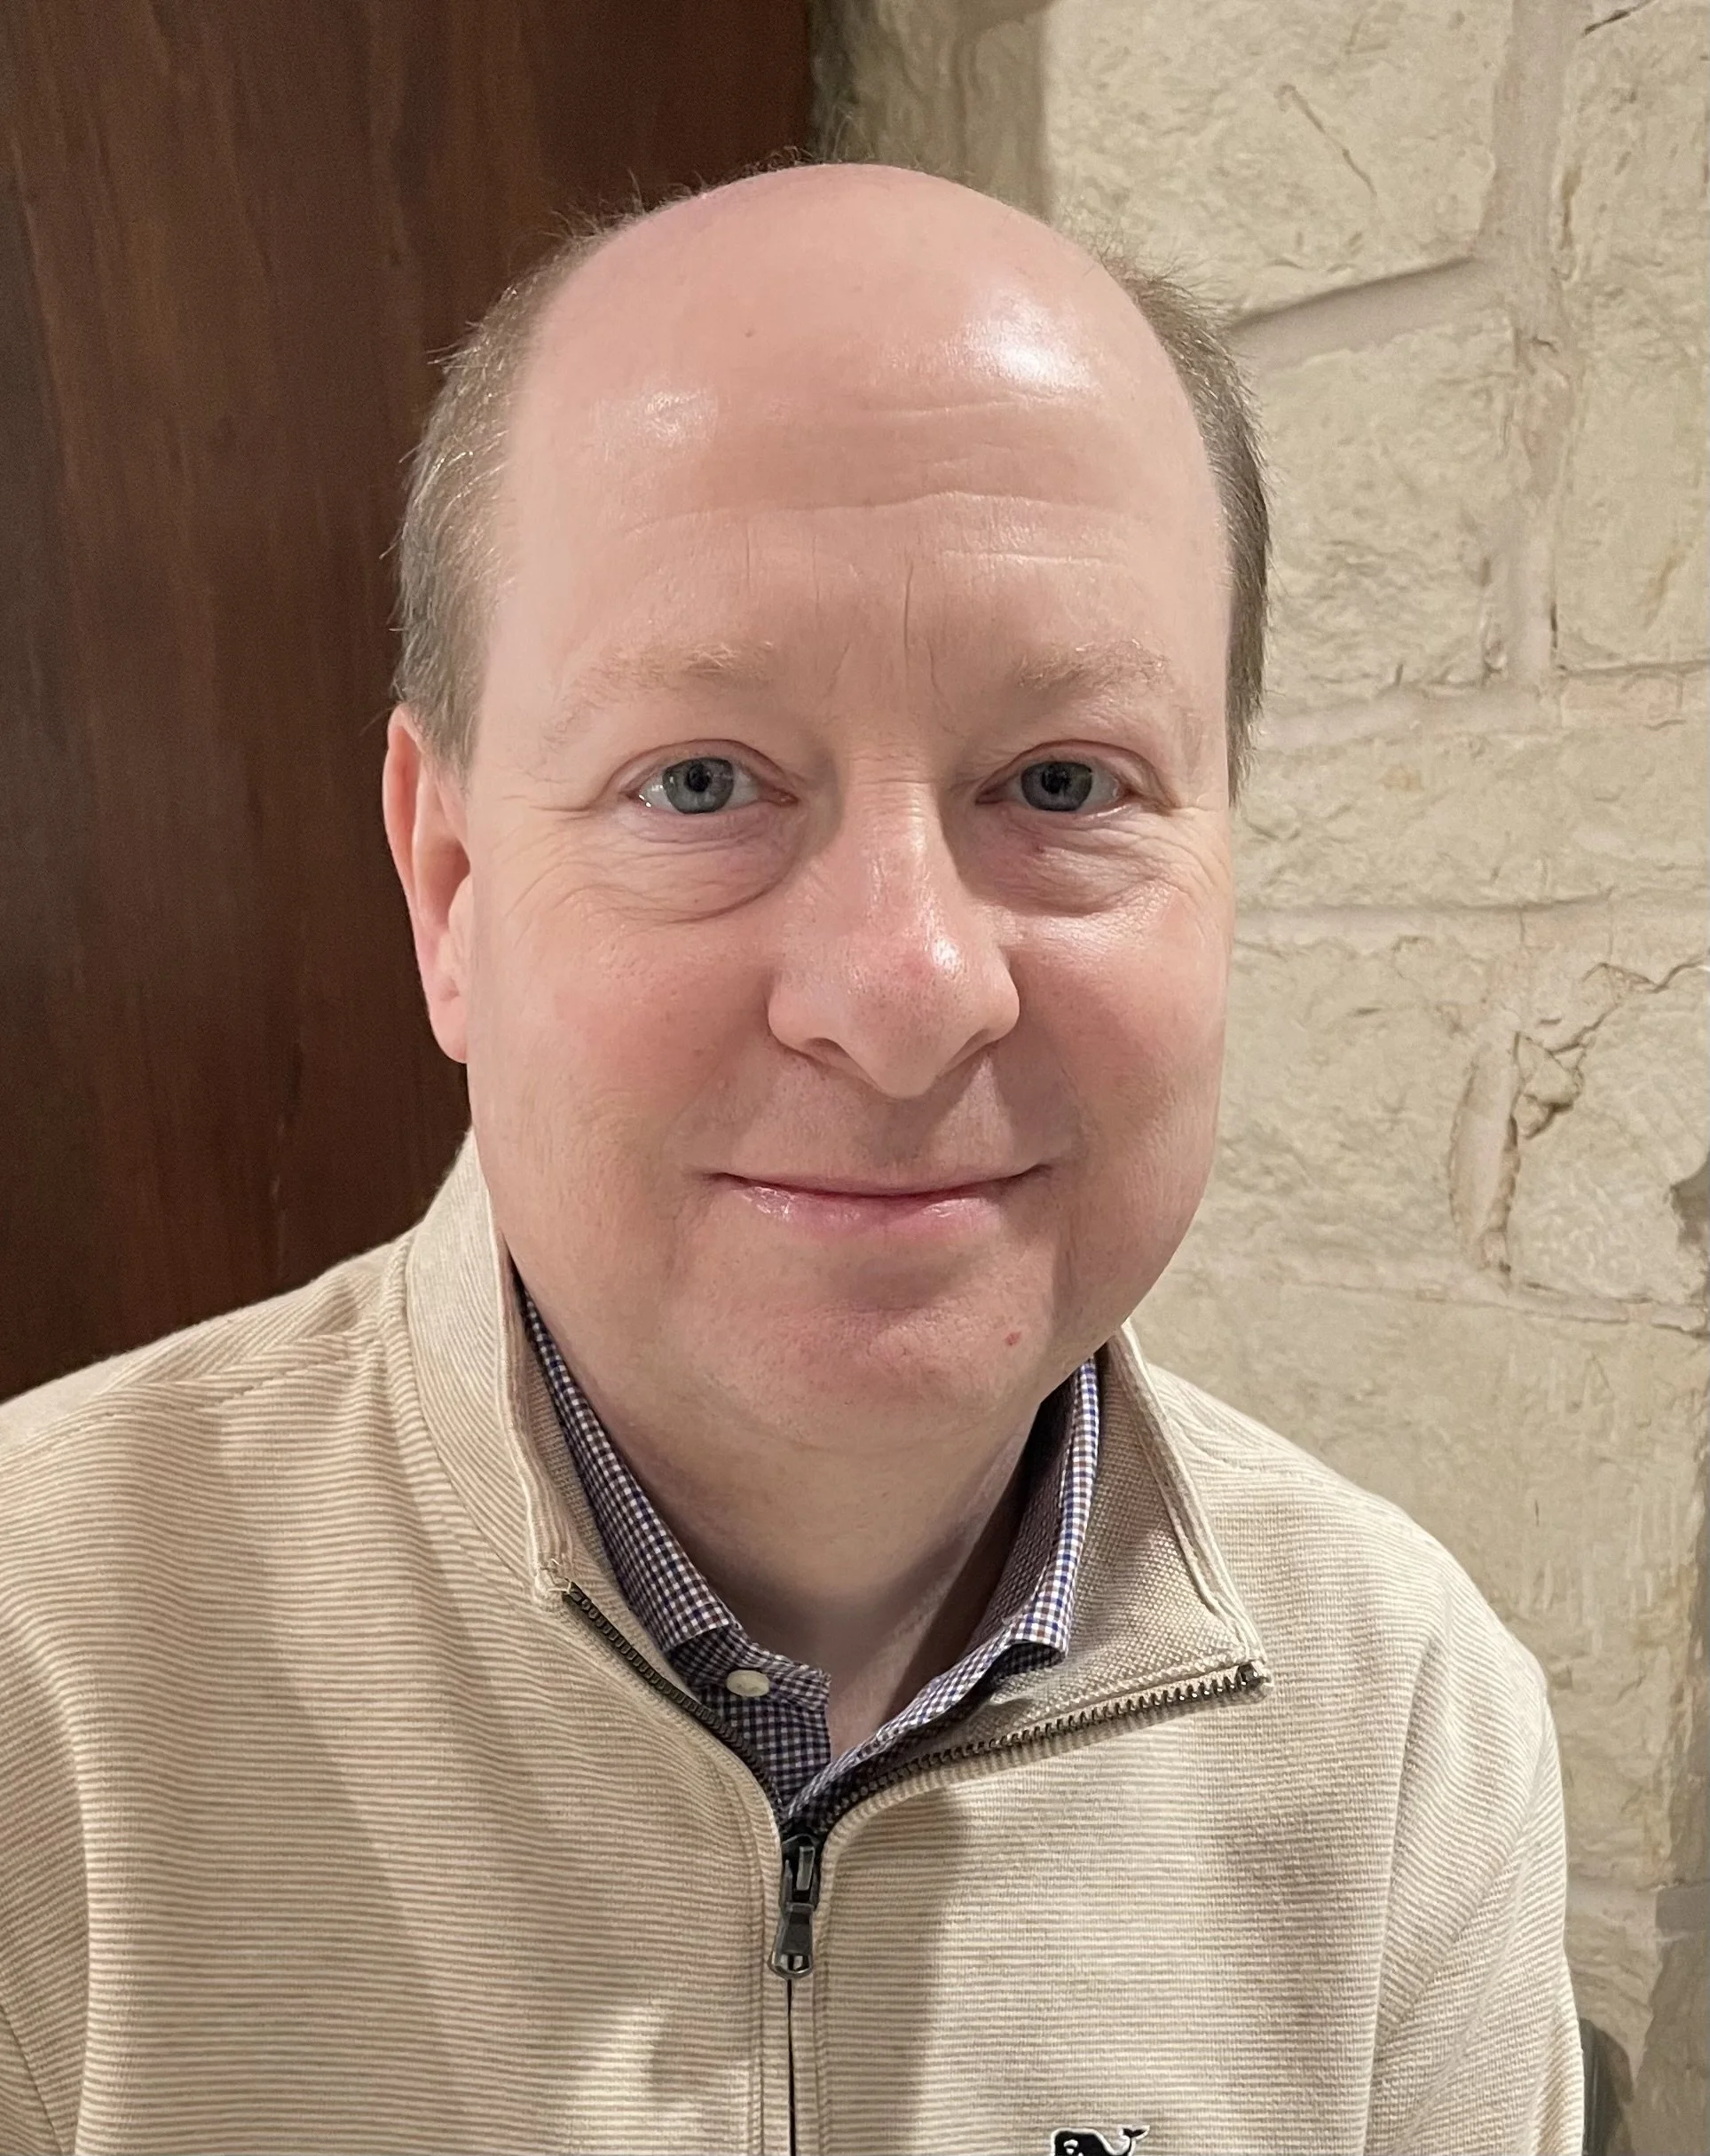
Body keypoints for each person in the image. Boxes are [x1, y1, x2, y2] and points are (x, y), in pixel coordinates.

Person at [0, 163, 1581, 2156]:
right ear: (450, 882)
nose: (905, 987)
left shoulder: (1409, 1728)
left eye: (1065, 780)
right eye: (702, 780)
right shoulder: (38, 1685)